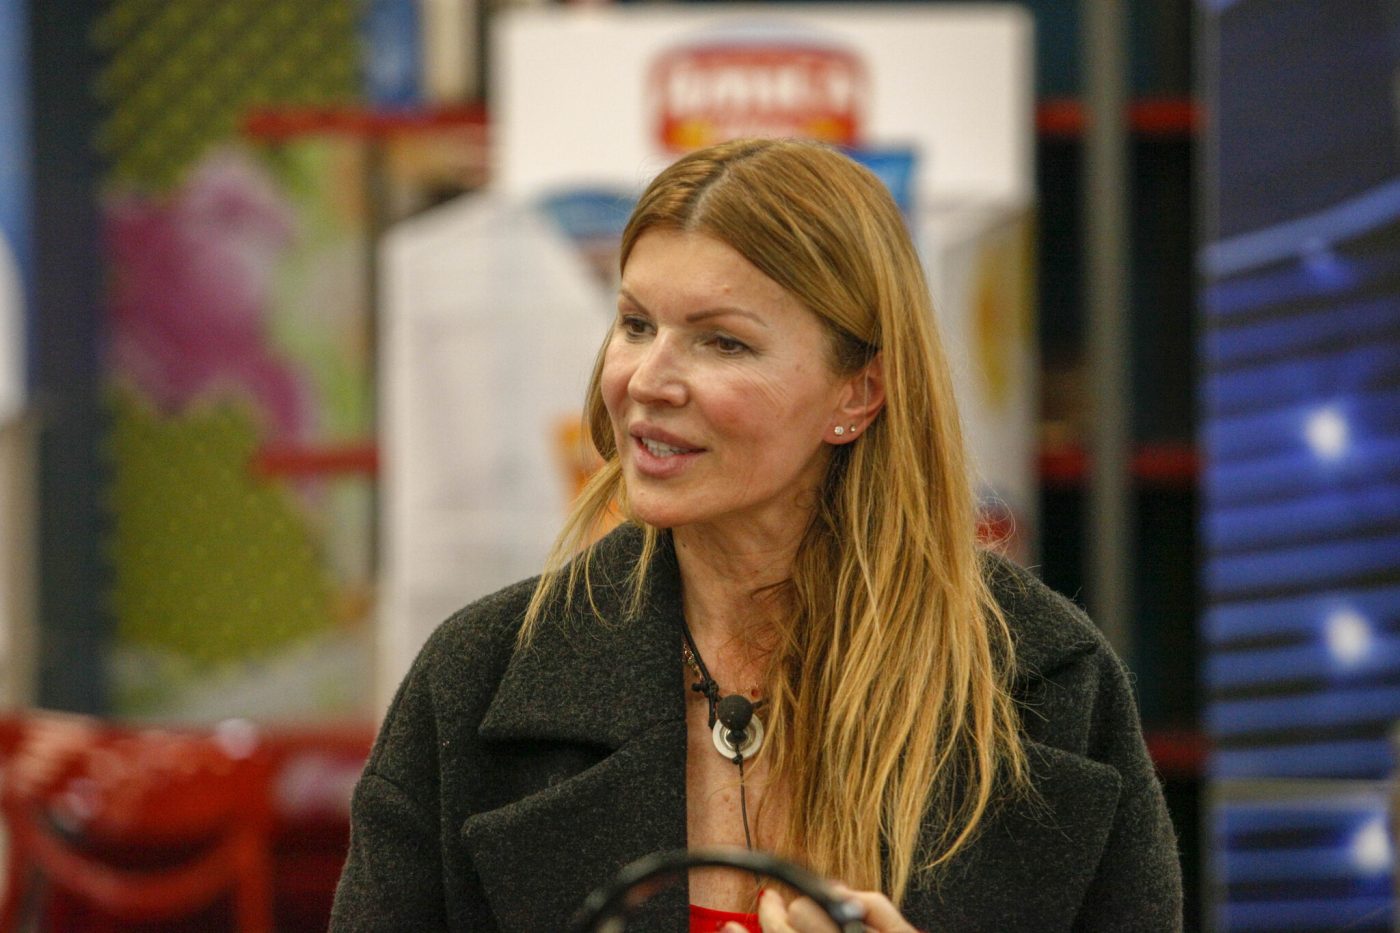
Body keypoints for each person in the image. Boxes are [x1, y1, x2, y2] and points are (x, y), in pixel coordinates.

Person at [331, 138, 1183, 932]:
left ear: (858, 393)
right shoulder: (474, 681)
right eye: (635, 324)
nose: (647, 380)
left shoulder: (1046, 688)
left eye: (722, 342)